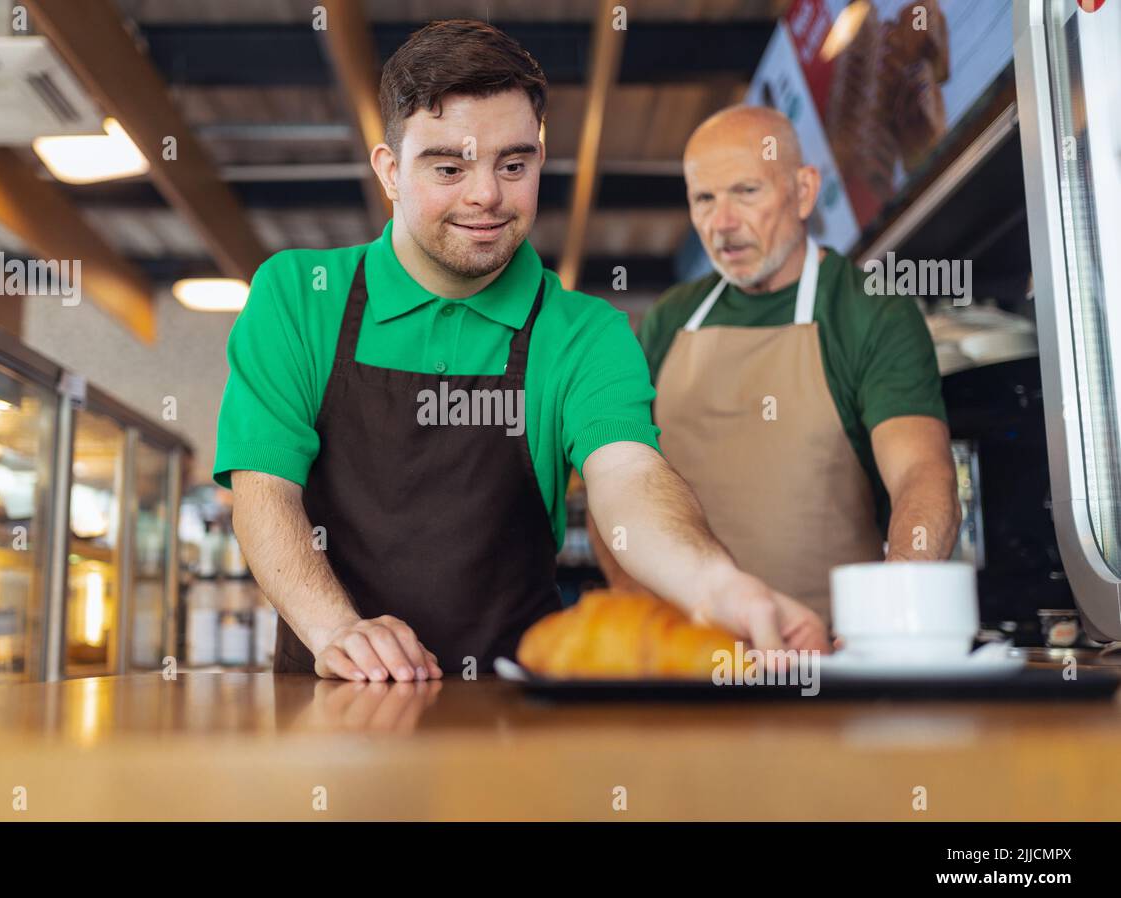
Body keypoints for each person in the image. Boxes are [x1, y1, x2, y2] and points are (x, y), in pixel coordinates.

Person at [213, 22, 829, 681]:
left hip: (514, 717)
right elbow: (265, 493)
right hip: (327, 710)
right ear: (390, 172)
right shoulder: (297, 296)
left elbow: (629, 478)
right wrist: (338, 631)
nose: (487, 195)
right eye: (449, 167)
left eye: (514, 165)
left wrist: (716, 586)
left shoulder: (582, 330)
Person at [590, 105, 959, 620]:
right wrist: (639, 609)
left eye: (746, 191)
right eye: (704, 199)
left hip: (828, 656)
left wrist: (891, 610)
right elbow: (612, 476)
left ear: (804, 191)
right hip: (689, 658)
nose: (722, 224)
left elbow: (922, 473)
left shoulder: (871, 312)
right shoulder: (670, 318)